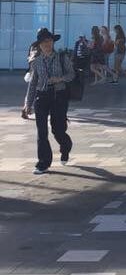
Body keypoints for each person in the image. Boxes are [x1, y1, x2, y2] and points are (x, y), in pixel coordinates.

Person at [21, 28, 75, 175]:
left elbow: (71, 74)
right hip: (41, 96)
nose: (47, 44)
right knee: (41, 132)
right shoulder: (36, 62)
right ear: (39, 44)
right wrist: (28, 103)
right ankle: (43, 163)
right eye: (44, 42)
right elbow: (32, 83)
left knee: (58, 129)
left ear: (53, 42)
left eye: (50, 41)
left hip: (59, 95)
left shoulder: (62, 57)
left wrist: (60, 79)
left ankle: (65, 146)